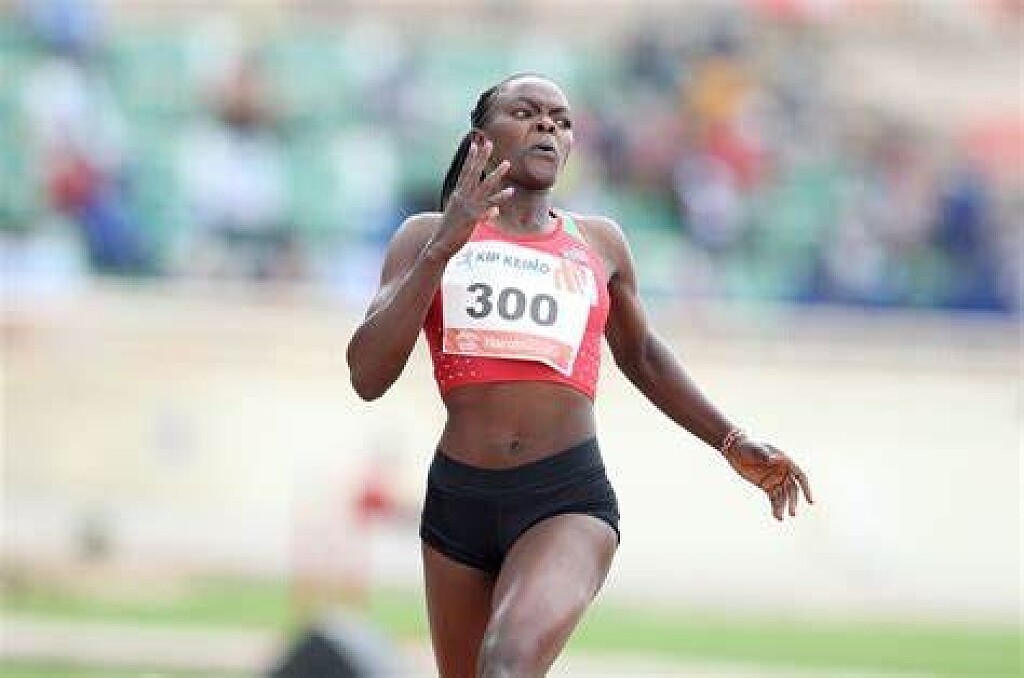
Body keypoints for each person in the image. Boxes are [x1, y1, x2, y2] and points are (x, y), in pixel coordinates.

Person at [346, 73, 813, 678]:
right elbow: (367, 374)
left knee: (507, 665)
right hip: (458, 500)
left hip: (563, 498)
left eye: (562, 120)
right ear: (481, 139)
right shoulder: (422, 236)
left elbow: (643, 356)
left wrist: (731, 439)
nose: (548, 125)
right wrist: (443, 247)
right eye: (526, 112)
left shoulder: (599, 243)